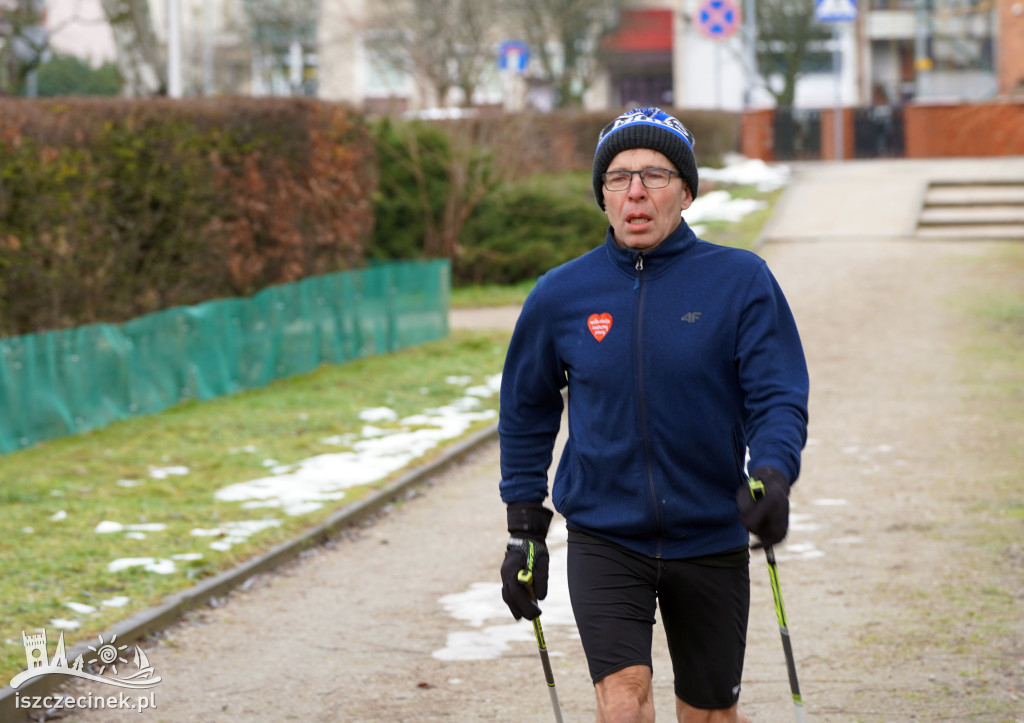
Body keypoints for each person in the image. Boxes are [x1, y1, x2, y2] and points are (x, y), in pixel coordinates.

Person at [497, 107, 809, 723]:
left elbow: (776, 393)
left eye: (656, 175)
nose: (635, 191)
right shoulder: (561, 294)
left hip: (710, 531)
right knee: (622, 704)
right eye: (618, 177)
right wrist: (524, 527)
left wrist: (772, 473)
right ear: (603, 196)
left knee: (709, 714)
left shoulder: (740, 280)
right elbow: (526, 408)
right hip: (605, 535)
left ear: (687, 191)